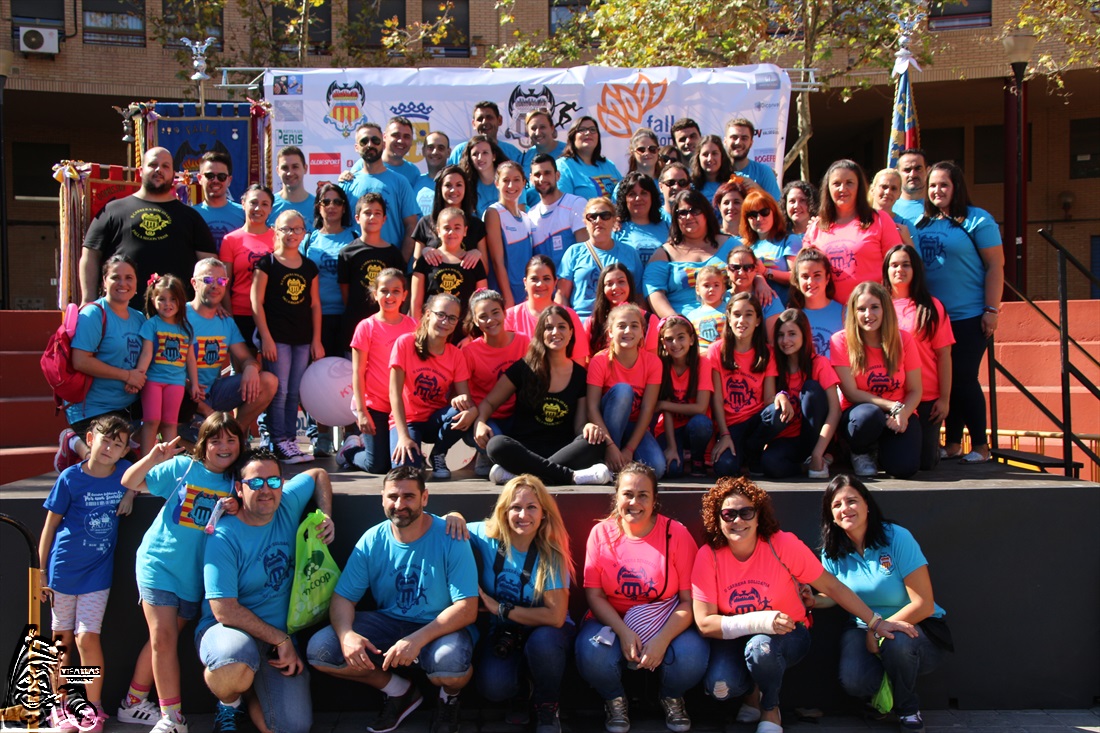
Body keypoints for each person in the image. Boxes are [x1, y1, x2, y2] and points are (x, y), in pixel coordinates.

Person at [692, 476, 917, 733]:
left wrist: (875, 622)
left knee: (761, 648)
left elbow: (832, 586)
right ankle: (751, 694)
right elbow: (704, 623)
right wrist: (761, 620)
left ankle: (770, 709)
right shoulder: (707, 555)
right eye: (729, 514)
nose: (738, 521)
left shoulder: (782, 544)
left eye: (746, 512)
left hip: (788, 636)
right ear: (718, 518)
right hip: (734, 638)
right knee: (721, 686)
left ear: (758, 516)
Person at [306, 465, 479, 733]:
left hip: (438, 627)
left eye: (409, 496)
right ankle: (399, 690)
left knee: (450, 666)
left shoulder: (451, 536)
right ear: (382, 498)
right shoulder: (372, 539)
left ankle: (449, 700)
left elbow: (467, 609)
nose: (400, 504)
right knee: (321, 650)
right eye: (393, 497)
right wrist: (346, 635)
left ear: (424, 498)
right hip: (388, 622)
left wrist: (416, 640)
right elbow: (343, 598)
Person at [118, 414, 245, 733]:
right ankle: (172, 719)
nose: (224, 446)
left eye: (231, 440)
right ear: (204, 444)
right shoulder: (183, 467)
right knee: (163, 638)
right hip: (158, 564)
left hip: (194, 578)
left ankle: (132, 703)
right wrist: (152, 457)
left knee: (163, 639)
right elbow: (130, 482)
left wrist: (238, 508)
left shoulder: (236, 484)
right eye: (216, 440)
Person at [196, 450, 334, 733]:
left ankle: (248, 693)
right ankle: (229, 703)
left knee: (292, 727)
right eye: (256, 483)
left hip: (275, 642)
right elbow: (224, 609)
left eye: (273, 481)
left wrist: (325, 517)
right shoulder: (224, 536)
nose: (266, 490)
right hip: (228, 630)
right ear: (239, 488)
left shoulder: (286, 505)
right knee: (231, 659)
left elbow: (319, 475)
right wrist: (280, 639)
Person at [576, 463, 707, 733]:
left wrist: (662, 639)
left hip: (664, 620)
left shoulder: (676, 534)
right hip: (613, 619)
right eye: (627, 494)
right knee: (591, 653)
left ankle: (671, 696)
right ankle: (614, 699)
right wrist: (623, 632)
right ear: (616, 497)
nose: (635, 502)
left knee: (692, 654)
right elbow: (595, 595)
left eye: (643, 495)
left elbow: (688, 601)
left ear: (655, 499)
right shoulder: (600, 534)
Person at [819, 475, 949, 733]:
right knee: (854, 681)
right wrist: (814, 600)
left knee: (897, 642)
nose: (845, 509)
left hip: (917, 627)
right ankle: (887, 687)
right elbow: (836, 596)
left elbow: (923, 604)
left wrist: (876, 628)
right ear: (831, 515)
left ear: (867, 504)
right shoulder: (831, 551)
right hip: (863, 627)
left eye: (852, 501)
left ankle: (908, 710)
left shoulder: (897, 537)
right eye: (837, 505)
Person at [39, 415, 132, 732]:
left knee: (86, 639)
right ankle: (62, 706)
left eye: (118, 445)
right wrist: (40, 573)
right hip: (62, 573)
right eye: (105, 440)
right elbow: (50, 526)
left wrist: (130, 492)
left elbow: (142, 475)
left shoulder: (123, 473)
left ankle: (93, 708)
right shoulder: (69, 478)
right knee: (62, 641)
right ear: (90, 439)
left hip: (96, 576)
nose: (110, 448)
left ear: (123, 452)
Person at [467, 476, 576, 733]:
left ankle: (547, 704)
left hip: (546, 631)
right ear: (504, 510)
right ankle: (521, 691)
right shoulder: (486, 535)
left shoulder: (552, 552)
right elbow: (447, 524)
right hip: (506, 632)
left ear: (544, 514)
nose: (522, 514)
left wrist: (501, 609)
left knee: (544, 644)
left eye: (531, 507)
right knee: (493, 687)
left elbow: (555, 617)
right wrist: (453, 515)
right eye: (515, 507)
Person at [913, 161, 1004, 464]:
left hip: (969, 315)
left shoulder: (979, 220)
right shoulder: (921, 221)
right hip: (932, 318)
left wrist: (991, 310)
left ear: (957, 187)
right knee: (943, 382)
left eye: (944, 185)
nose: (937, 191)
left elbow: (995, 266)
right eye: (933, 185)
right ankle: (952, 443)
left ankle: (980, 445)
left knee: (964, 378)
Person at [478, 305, 611, 486]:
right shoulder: (524, 368)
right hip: (525, 449)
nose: (555, 332)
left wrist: (588, 427)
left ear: (571, 332)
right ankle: (572, 476)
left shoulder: (580, 375)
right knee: (496, 445)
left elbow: (579, 425)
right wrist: (480, 422)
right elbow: (489, 403)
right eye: (548, 328)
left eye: (561, 326)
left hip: (563, 449)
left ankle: (521, 476)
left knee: (596, 442)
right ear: (541, 333)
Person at [80, 147, 216, 308]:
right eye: (153, 165)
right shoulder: (112, 210)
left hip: (175, 316)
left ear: (173, 174)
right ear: (140, 170)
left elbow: (209, 264)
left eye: (166, 166)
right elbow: (90, 255)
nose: (159, 170)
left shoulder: (191, 217)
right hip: (121, 312)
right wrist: (88, 299)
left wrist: (210, 302)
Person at [55, 255, 146, 473]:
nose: (122, 283)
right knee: (111, 468)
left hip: (127, 408)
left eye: (129, 277)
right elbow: (80, 360)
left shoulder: (140, 318)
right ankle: (73, 442)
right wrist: (127, 376)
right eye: (115, 277)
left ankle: (126, 443)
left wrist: (138, 377)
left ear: (136, 283)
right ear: (104, 281)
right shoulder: (94, 313)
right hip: (93, 409)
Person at [829, 281, 923, 479]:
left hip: (898, 414)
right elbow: (851, 393)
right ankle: (860, 451)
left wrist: (903, 412)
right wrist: (893, 406)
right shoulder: (840, 341)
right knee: (869, 416)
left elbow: (915, 389)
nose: (867, 314)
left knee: (905, 468)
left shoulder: (904, 339)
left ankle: (881, 451)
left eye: (874, 307)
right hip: (861, 412)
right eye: (861, 309)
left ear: (885, 309)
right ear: (853, 312)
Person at [252, 211, 323, 464]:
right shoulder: (266, 264)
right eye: (286, 229)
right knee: (279, 390)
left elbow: (315, 305)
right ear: (275, 230)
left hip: (302, 338)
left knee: (294, 391)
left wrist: (317, 340)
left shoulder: (309, 267)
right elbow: (256, 303)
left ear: (304, 233)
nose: (291, 234)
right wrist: (266, 338)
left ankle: (289, 440)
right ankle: (278, 439)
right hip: (277, 338)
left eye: (297, 229)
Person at [181, 258, 278, 443]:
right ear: (194, 283)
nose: (215, 286)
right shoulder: (179, 316)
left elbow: (246, 358)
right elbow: (164, 371)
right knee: (206, 446)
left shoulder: (226, 321)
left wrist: (250, 367)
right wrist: (205, 410)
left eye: (221, 281)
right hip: (184, 398)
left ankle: (236, 436)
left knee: (268, 381)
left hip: (213, 392)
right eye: (208, 280)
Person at [389, 294, 477, 480]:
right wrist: (404, 437)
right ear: (428, 314)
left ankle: (439, 453)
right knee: (406, 472)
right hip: (408, 420)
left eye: (452, 318)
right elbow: (394, 393)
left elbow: (466, 399)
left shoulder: (456, 355)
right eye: (441, 315)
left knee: (464, 411)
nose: (446, 321)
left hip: (435, 421)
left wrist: (468, 408)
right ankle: (353, 451)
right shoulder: (405, 343)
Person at [884, 244, 954, 471]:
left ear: (916, 270)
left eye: (906, 265)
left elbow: (944, 356)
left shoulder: (932, 307)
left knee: (924, 464)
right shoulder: (878, 307)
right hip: (890, 395)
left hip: (926, 398)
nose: (899, 270)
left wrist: (944, 399)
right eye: (894, 265)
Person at [342, 268, 416, 475]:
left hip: (402, 408)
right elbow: (357, 372)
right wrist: (362, 412)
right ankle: (350, 451)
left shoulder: (413, 326)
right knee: (377, 466)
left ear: (404, 295)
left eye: (395, 291)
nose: (389, 296)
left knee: (396, 465)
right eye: (384, 291)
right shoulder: (366, 327)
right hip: (375, 406)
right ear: (375, 294)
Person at [302, 183, 357, 456]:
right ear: (319, 207)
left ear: (344, 207)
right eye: (326, 201)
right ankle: (321, 436)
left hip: (348, 319)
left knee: (350, 376)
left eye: (337, 201)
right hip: (317, 319)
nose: (332, 206)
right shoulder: (309, 240)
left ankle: (352, 435)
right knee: (320, 379)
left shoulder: (355, 235)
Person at [803, 159, 902, 304]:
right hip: (832, 315)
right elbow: (806, 272)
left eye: (849, 183)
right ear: (828, 188)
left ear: (859, 187)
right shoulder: (815, 227)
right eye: (836, 184)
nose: (843, 189)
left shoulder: (880, 220)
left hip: (873, 311)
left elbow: (897, 266)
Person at [586, 303, 666, 477]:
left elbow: (647, 409)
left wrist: (629, 449)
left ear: (642, 332)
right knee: (623, 391)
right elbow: (591, 407)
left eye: (634, 326)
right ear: (610, 332)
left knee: (657, 469)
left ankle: (622, 461)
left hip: (634, 426)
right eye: (621, 326)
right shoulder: (599, 360)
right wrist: (610, 446)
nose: (628, 330)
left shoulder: (653, 363)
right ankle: (607, 458)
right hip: (607, 429)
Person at [761, 308, 841, 479]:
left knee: (811, 389)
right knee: (769, 463)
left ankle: (819, 457)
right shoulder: (774, 362)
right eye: (781, 335)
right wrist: (779, 395)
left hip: (815, 437)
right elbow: (767, 401)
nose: (785, 340)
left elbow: (835, 411)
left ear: (804, 335)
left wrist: (818, 452)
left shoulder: (819, 363)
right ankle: (803, 467)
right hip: (788, 438)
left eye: (792, 334)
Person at [460, 290, 528, 476]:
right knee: (496, 443)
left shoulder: (525, 343)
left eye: (495, 312)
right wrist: (479, 421)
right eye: (483, 316)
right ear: (475, 321)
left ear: (505, 313)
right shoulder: (469, 352)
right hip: (486, 416)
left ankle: (497, 462)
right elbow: (464, 395)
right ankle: (490, 456)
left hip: (518, 415)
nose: (490, 320)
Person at [708, 292, 776, 477]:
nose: (742, 320)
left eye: (749, 314)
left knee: (777, 411)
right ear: (728, 318)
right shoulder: (716, 351)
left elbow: (769, 399)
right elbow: (717, 399)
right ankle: (743, 455)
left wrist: (781, 397)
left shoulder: (767, 353)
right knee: (725, 468)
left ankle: (754, 453)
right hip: (730, 425)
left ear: (758, 321)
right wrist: (724, 434)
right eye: (737, 314)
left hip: (756, 422)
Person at [135, 274, 200, 456]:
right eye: (161, 299)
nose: (167, 304)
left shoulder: (186, 328)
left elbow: (190, 359)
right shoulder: (151, 325)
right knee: (151, 421)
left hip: (176, 383)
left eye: (172, 299)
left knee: (170, 422)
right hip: (153, 381)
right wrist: (138, 376)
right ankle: (147, 463)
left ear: (180, 301)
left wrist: (194, 383)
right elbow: (147, 353)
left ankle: (168, 462)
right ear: (153, 300)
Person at [644, 189, 732, 319]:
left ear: (706, 213)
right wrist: (677, 323)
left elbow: (751, 270)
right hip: (683, 331)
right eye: (682, 213)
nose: (689, 217)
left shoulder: (731, 245)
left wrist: (760, 282)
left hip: (727, 324)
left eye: (695, 211)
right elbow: (654, 292)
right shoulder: (664, 253)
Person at [337, 194, 407, 348]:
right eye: (367, 213)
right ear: (357, 218)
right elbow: (345, 293)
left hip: (387, 326)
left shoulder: (393, 254)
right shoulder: (347, 253)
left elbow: (400, 291)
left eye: (377, 213)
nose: (372, 217)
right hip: (355, 324)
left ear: (384, 219)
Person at [342, 122, 419, 261]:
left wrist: (401, 263)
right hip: (355, 264)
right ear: (356, 147)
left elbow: (411, 226)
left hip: (390, 266)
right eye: (364, 141)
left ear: (383, 144)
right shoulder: (347, 183)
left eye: (375, 140)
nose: (370, 144)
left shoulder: (400, 182)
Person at [557, 197, 642, 319]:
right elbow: (562, 295)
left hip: (620, 323)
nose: (598, 220)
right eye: (592, 217)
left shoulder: (630, 253)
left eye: (605, 215)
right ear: (585, 222)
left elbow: (639, 295)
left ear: (614, 220)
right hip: (582, 323)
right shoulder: (573, 252)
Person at [654, 315, 714, 478]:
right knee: (673, 470)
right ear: (662, 342)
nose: (675, 344)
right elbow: (666, 413)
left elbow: (700, 408)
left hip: (694, 426)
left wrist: (664, 405)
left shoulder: (702, 364)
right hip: (669, 429)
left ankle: (697, 458)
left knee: (701, 423)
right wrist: (672, 447)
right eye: (669, 339)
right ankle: (679, 453)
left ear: (692, 340)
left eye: (681, 337)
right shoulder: (661, 365)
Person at [503, 255, 589, 367]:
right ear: (525, 282)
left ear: (555, 282)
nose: (540, 284)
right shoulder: (510, 316)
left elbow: (579, 362)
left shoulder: (569, 315)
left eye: (546, 278)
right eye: (534, 279)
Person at [411, 207, 488, 329]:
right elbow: (416, 303)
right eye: (446, 228)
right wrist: (418, 331)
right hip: (431, 331)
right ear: (438, 231)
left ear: (465, 231)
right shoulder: (425, 261)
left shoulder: (474, 262)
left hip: (462, 333)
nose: (451, 232)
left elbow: (482, 304)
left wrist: (471, 336)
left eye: (457, 227)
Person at [218, 185, 275, 344]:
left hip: (273, 314)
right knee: (244, 366)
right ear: (243, 204)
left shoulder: (279, 238)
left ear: (271, 208)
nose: (258, 208)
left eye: (264, 204)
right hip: (240, 314)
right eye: (253, 202)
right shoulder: (230, 240)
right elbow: (225, 283)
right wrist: (229, 320)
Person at [412, 164, 488, 266]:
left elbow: (485, 270)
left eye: (459, 185)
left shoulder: (477, 225)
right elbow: (415, 268)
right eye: (448, 185)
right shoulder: (425, 223)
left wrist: (477, 254)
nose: (453, 190)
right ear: (440, 189)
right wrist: (424, 253)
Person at [485, 161, 537, 308]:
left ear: (524, 183)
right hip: (505, 298)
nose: (511, 186)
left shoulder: (526, 217)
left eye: (516, 180)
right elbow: (497, 261)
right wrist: (507, 299)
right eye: (505, 180)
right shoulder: (494, 212)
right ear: (496, 183)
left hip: (525, 296)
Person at [528, 153, 588, 272]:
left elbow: (585, 253)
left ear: (557, 175)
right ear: (531, 179)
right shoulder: (530, 215)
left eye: (547, 173)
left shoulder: (576, 204)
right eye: (537, 174)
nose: (542, 179)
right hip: (545, 287)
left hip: (573, 286)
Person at [740, 190, 801, 307]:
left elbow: (796, 276)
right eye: (752, 214)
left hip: (784, 308)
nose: (759, 218)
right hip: (755, 311)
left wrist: (766, 272)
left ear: (774, 213)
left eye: (764, 212)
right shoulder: (745, 246)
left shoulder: (789, 240)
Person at [585, 262, 659, 356]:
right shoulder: (592, 323)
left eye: (621, 282)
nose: (615, 287)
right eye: (609, 284)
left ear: (630, 285)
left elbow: (652, 360)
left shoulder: (649, 320)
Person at [788, 247, 846, 359]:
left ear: (827, 278)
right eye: (805, 276)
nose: (811, 282)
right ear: (797, 280)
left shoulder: (844, 313)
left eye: (817, 275)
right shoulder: (792, 316)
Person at [556, 117, 622, 200]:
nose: (588, 133)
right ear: (573, 137)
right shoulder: (564, 165)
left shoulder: (609, 165)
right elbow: (563, 205)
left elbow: (624, 193)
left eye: (593, 129)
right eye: (582, 130)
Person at [727, 246, 784, 338]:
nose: (741, 272)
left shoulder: (768, 299)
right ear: (727, 270)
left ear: (755, 270)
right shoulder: (721, 298)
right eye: (735, 267)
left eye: (748, 267)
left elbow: (774, 341)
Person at [194, 151, 245, 253]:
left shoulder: (243, 213)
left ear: (229, 180)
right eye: (210, 175)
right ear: (199, 178)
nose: (215, 180)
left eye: (221, 176)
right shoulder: (191, 214)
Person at [613, 172, 668, 266]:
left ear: (652, 197)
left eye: (644, 193)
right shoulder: (616, 229)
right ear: (624, 199)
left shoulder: (667, 225)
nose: (638, 198)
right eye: (632, 194)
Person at [447, 101, 524, 165]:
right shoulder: (460, 151)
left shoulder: (512, 152)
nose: (484, 122)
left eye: (489, 117)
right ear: (474, 124)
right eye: (480, 119)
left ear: (499, 120)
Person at [723, 118, 782, 201]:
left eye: (744, 138)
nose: (738, 142)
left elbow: (778, 209)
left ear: (751, 143)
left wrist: (758, 190)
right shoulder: (716, 172)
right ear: (725, 141)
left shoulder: (764, 172)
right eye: (734, 137)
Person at [460, 134, 509, 217]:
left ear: (493, 156)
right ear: (470, 159)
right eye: (475, 154)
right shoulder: (468, 187)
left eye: (485, 153)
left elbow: (519, 212)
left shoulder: (510, 178)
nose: (480, 157)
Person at [269, 146, 316, 232]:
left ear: (305, 168)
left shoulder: (318, 207)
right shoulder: (268, 206)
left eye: (295, 167)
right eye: (285, 168)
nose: (290, 173)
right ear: (278, 171)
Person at [869, 168, 916, 246]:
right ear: (872, 190)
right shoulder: (859, 219)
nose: (888, 192)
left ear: (899, 194)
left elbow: (917, 257)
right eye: (884, 187)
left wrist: (907, 241)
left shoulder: (905, 226)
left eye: (893, 188)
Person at [688, 264, 728, 350]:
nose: (711, 289)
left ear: (723, 288)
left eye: (716, 285)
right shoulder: (691, 316)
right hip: (701, 357)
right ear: (697, 290)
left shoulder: (729, 310)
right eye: (706, 285)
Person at [414, 131, 453, 215]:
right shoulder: (414, 182)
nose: (435, 152)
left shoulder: (456, 184)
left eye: (441, 148)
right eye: (430, 147)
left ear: (448, 152)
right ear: (423, 151)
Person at [690, 135, 734, 203]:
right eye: (705, 154)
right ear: (698, 157)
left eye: (714, 153)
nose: (710, 159)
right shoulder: (691, 186)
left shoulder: (735, 181)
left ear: (722, 156)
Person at [382, 115, 422, 186]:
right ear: (384, 137)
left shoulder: (413, 172)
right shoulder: (365, 166)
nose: (401, 141)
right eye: (396, 135)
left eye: (406, 137)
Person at [891, 148, 928, 224]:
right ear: (897, 173)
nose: (913, 175)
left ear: (927, 171)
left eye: (918, 169)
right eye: (907, 170)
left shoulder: (939, 206)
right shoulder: (888, 206)